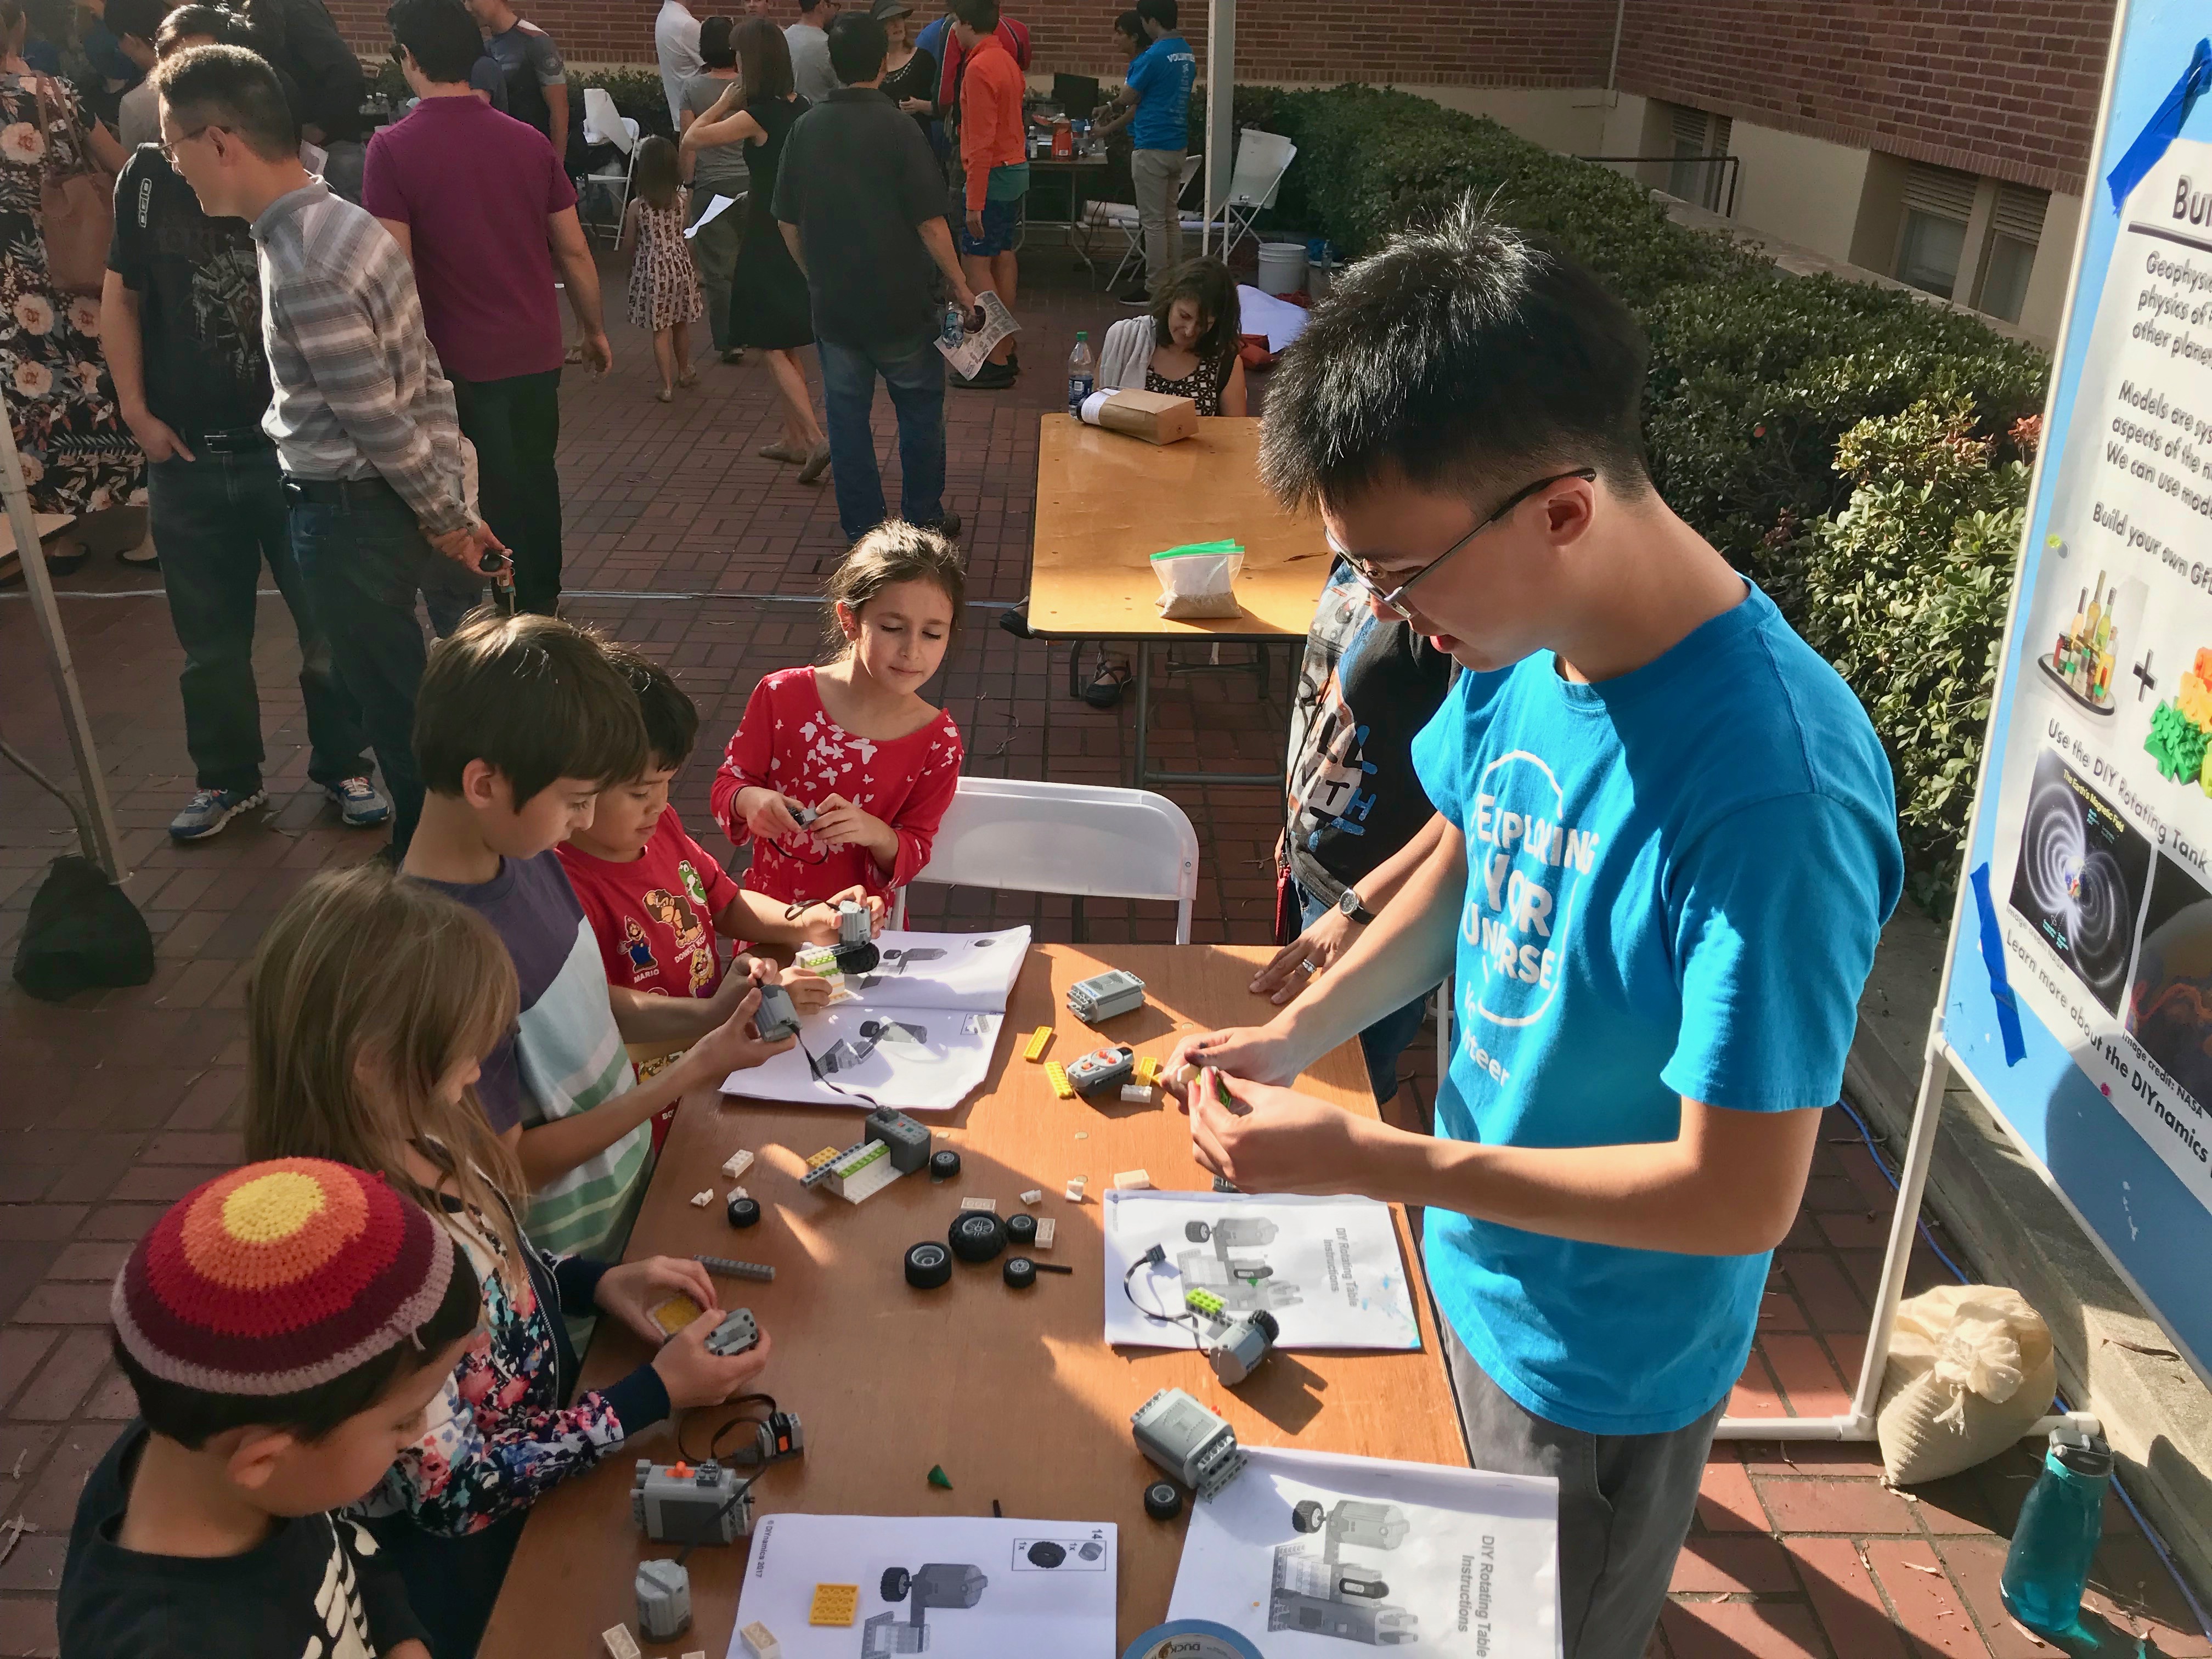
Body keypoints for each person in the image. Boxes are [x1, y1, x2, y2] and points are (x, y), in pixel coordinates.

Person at [1165, 203, 1904, 1659]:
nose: (1385, 614)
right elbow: (1465, 858)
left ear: (1562, 508)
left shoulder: (1771, 799)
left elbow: (1737, 1196)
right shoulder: (1521, 636)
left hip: (1602, 1359)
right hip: (1474, 1267)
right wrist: (1300, 1035)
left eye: (1400, 574)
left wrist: (1378, 1159)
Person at [242, 865, 775, 1657]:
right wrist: (651, 1394)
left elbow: (500, 1253)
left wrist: (593, 1280)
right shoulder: (371, 1265)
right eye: (471, 1044)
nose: (485, 1066)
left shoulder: (431, 1130)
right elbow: (453, 1490)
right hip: (478, 1562)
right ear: (373, 1060)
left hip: (553, 1461)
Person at [152, 43, 505, 857]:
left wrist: (448, 519)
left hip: (353, 512)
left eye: (175, 146)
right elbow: (423, 381)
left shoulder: (303, 256)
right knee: (405, 692)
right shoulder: (341, 219)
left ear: (221, 141)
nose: (176, 167)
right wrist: (452, 503)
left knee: (393, 705)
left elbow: (374, 414)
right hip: (388, 501)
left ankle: (432, 868)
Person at [401, 611, 793, 1263]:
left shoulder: (526, 855)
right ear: (484, 784)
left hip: (629, 1195)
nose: (585, 820)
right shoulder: (442, 959)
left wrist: (708, 1016)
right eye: (577, 798)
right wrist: (689, 1072)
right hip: (570, 1255)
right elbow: (510, 1164)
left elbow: (587, 1003)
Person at [105, 12, 393, 843]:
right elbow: (123, 298)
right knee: (210, 650)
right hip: (188, 455)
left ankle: (345, 766)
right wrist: (136, 411)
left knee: (325, 634)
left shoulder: (291, 179)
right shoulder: (149, 180)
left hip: (291, 457)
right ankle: (228, 783)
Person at [57, 1156, 482, 1659]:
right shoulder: (164, 1644)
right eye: (403, 1420)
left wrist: (398, 1639)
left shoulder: (231, 1459)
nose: (419, 1432)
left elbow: (340, 1551)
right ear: (262, 1460)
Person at [558, 647, 868, 1146]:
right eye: (640, 791)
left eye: (666, 784)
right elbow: (593, 1008)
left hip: (714, 1068)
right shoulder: (563, 884)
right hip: (642, 1108)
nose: (659, 803)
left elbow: (723, 901)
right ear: (574, 785)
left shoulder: (657, 830)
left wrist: (805, 921)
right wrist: (722, 1013)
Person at [367, 0, 611, 621]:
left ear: (410, 60)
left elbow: (393, 272)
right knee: (535, 474)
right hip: (535, 347)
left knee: (478, 485)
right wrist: (594, 329)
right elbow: (575, 249)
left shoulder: (392, 150)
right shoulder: (528, 142)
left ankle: (499, 608)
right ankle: (542, 601)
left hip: (456, 360)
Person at [1256, 544, 1453, 1110]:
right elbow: (1321, 695)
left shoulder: (1450, 609)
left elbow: (1468, 806)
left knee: (1347, 1089)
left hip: (1378, 904)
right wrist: (1294, 817)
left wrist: (1359, 909)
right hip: (1314, 866)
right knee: (1299, 1067)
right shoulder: (1358, 551)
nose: (1380, 595)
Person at [774, 10, 977, 543]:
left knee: (846, 421)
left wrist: (813, 272)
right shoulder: (898, 127)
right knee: (919, 411)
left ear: (833, 63)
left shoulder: (806, 128)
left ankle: (864, 530)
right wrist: (959, 284)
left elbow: (787, 219)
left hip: (836, 305)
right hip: (902, 301)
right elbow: (930, 222)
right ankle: (923, 518)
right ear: (884, 63)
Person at [713, 522, 965, 907]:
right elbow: (728, 783)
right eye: (893, 627)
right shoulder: (782, 695)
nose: (913, 651)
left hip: (864, 933)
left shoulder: (938, 740)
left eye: (933, 634)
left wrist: (875, 832)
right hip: (774, 923)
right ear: (850, 620)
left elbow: (915, 849)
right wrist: (749, 801)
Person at [0, 0, 138, 580]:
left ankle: (50, 536)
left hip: (10, 285)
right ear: (20, 26)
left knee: (27, 403)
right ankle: (141, 514)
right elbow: (121, 165)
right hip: (73, 260)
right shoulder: (56, 94)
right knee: (99, 382)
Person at [689, 18, 826, 475]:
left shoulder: (757, 114)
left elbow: (692, 139)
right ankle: (793, 438)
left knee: (769, 341)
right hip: (797, 227)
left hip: (766, 230)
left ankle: (812, 436)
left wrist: (723, 104)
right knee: (786, 338)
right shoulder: (801, 106)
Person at [1094, 0, 1191, 303]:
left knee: (1153, 222)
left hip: (1152, 144)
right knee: (1170, 218)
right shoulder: (1186, 51)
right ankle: (1176, 282)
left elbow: (1129, 96)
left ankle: (1155, 288)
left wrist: (1109, 107)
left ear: (1150, 20)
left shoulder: (1154, 55)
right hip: (1177, 144)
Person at [946, 0, 1022, 390]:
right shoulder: (1006, 58)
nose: (953, 32)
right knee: (1002, 255)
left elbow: (980, 140)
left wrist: (974, 199)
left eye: (955, 24)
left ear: (966, 23)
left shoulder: (977, 67)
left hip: (989, 176)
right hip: (1011, 171)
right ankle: (1005, 347)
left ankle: (994, 357)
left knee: (976, 264)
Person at [240, 0, 370, 199]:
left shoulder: (295, 8)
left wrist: (321, 127)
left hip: (330, 152)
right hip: (322, 151)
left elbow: (346, 70)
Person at [677, 14, 745, 363]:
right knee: (751, 261)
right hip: (749, 182)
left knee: (719, 270)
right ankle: (759, 330)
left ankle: (730, 340)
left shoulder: (692, 88)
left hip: (711, 185)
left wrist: (686, 185)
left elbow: (688, 143)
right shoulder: (748, 86)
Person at [1098, 255, 1246, 415]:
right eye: (1184, 316)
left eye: (1203, 325)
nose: (1190, 331)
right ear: (1169, 302)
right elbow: (1094, 407)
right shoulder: (1128, 339)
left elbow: (1236, 433)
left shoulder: (1225, 362)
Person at [618, 135, 703, 404]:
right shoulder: (682, 201)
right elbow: (685, 234)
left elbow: (630, 244)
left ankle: (666, 385)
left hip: (652, 271)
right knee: (681, 324)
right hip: (679, 266)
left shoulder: (637, 207)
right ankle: (685, 370)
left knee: (660, 329)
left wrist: (628, 268)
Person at [465, 0, 566, 161]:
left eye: (471, 0)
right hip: (505, 157)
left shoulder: (536, 40)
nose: (468, 8)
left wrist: (557, 168)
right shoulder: (486, 47)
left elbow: (559, 111)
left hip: (537, 154)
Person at [105, 0, 164, 150]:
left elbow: (130, 162)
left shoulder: (134, 104)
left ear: (129, 39)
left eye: (118, 39)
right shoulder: (204, 64)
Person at [875, 0, 933, 144]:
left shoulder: (923, 60)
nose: (897, 25)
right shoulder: (873, 64)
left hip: (916, 140)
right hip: (882, 140)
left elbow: (942, 107)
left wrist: (920, 105)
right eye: (889, 21)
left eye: (900, 18)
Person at [653, 0, 699, 125]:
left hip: (681, 115)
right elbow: (720, 64)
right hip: (699, 118)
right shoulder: (686, 24)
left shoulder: (665, 15)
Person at [783, 0, 834, 101]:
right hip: (820, 112)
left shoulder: (784, 38)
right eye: (830, 5)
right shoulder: (827, 44)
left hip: (788, 111)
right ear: (822, 5)